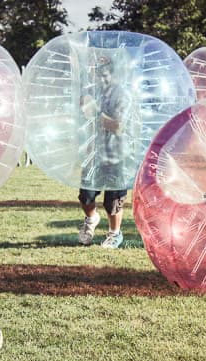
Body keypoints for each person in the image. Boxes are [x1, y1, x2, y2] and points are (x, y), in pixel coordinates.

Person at [77, 56, 131, 249]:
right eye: (99, 75)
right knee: (86, 195)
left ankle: (115, 233)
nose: (102, 79)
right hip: (95, 155)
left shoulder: (123, 95)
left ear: (114, 75)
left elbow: (118, 126)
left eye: (105, 75)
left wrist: (96, 112)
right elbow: (85, 118)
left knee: (113, 200)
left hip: (117, 154)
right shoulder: (96, 93)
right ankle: (91, 219)